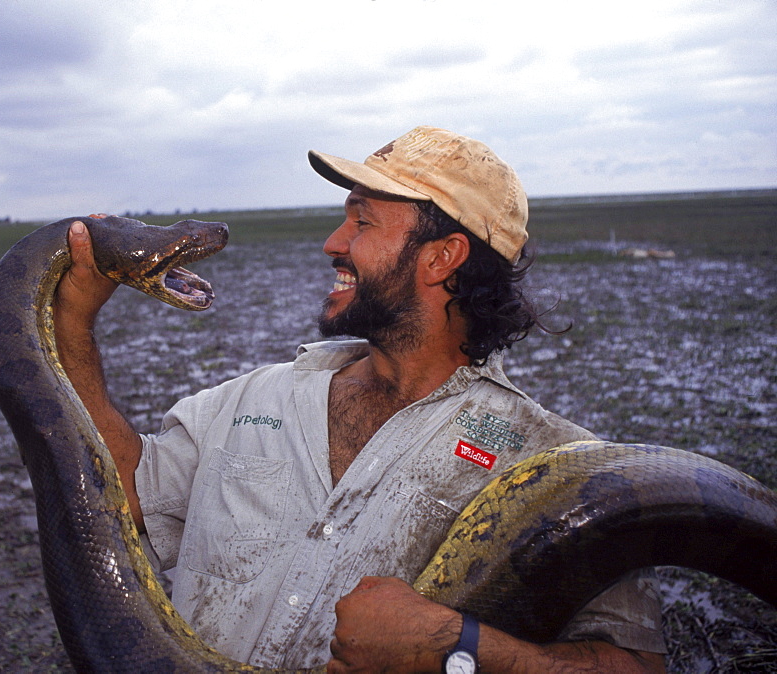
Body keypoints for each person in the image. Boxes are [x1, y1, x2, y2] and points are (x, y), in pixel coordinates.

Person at [52, 127, 667, 672]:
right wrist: (72, 325)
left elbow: (634, 664)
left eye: (362, 221)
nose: (332, 243)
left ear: (442, 258)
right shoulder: (254, 397)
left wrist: (458, 650)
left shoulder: (551, 465)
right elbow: (120, 491)